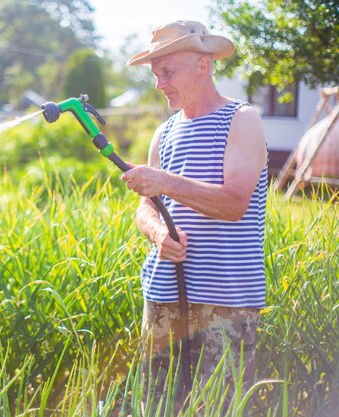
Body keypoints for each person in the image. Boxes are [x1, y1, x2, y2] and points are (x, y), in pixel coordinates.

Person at [121, 21, 269, 412]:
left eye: (167, 71)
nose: (159, 84)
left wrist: (164, 181)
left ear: (203, 65)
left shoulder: (242, 120)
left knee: (217, 406)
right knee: (153, 405)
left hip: (225, 303)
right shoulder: (164, 133)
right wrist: (157, 235)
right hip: (162, 296)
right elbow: (146, 209)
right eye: (155, 75)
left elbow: (235, 203)